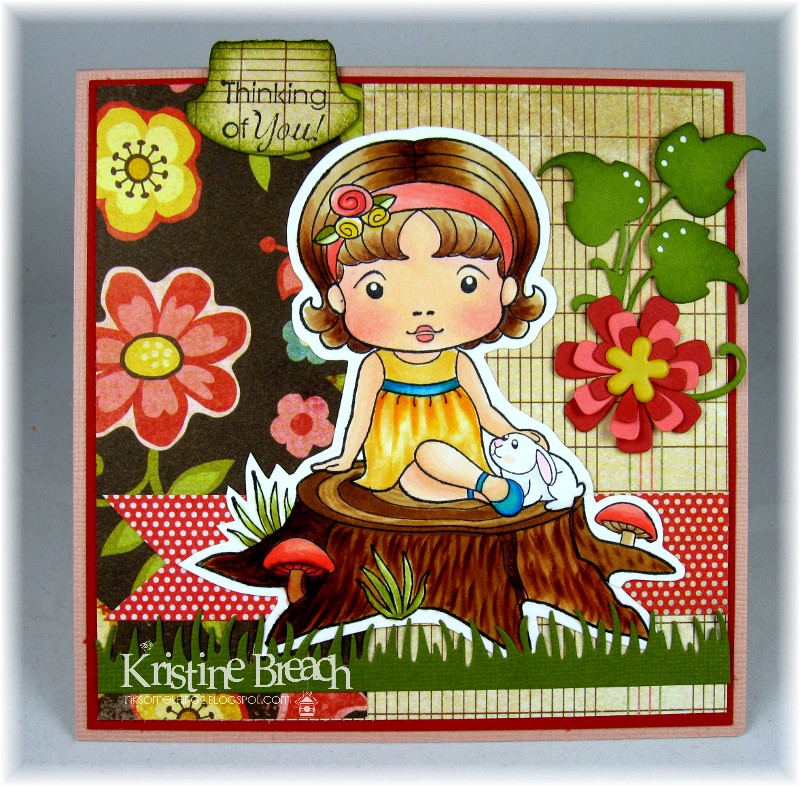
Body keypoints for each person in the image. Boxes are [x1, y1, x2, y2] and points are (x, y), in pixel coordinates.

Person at [293, 132, 551, 516]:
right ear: (338, 297)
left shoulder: (457, 361)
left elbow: (486, 411)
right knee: (414, 476)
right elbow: (359, 417)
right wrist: (345, 457)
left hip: (458, 444)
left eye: (467, 282)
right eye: (376, 288)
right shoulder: (378, 364)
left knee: (429, 462)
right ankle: (488, 490)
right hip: (394, 452)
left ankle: (484, 485)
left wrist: (513, 433)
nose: (423, 312)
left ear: (506, 287)